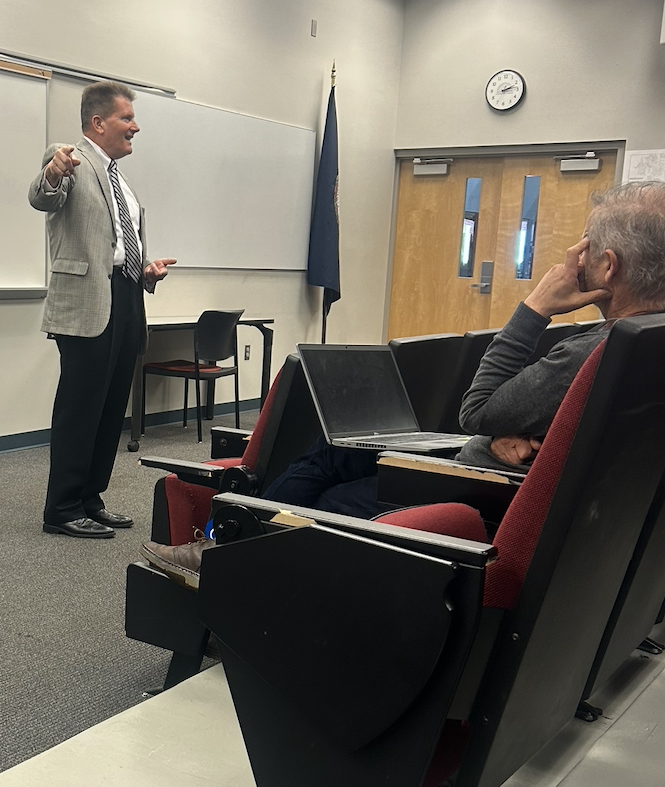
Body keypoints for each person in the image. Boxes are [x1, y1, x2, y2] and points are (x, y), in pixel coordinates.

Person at [141, 180, 665, 585]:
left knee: (333, 493)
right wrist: (523, 437)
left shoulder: (595, 348)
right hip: (504, 475)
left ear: (609, 266)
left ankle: (230, 562)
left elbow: (478, 409)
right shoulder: (646, 341)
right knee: (336, 449)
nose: (573, 256)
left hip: (480, 489)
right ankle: (227, 547)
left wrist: (534, 309)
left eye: (585, 246)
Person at [29, 82, 175, 539]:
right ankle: (61, 508)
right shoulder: (70, 158)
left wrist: (144, 270)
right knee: (80, 408)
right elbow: (43, 196)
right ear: (98, 123)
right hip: (87, 302)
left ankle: (90, 499)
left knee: (111, 408)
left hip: (126, 295)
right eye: (126, 118)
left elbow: (113, 244)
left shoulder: (118, 178)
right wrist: (53, 173)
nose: (135, 126)